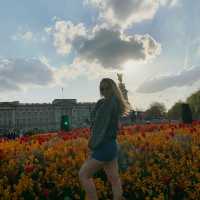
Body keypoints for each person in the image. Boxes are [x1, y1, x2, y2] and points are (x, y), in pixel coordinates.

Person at [79, 78, 131, 200]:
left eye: (107, 88)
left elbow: (99, 128)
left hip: (104, 146)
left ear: (112, 88)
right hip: (111, 145)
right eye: (101, 88)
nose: (104, 90)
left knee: (83, 175)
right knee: (114, 179)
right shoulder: (110, 102)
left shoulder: (108, 104)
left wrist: (91, 146)